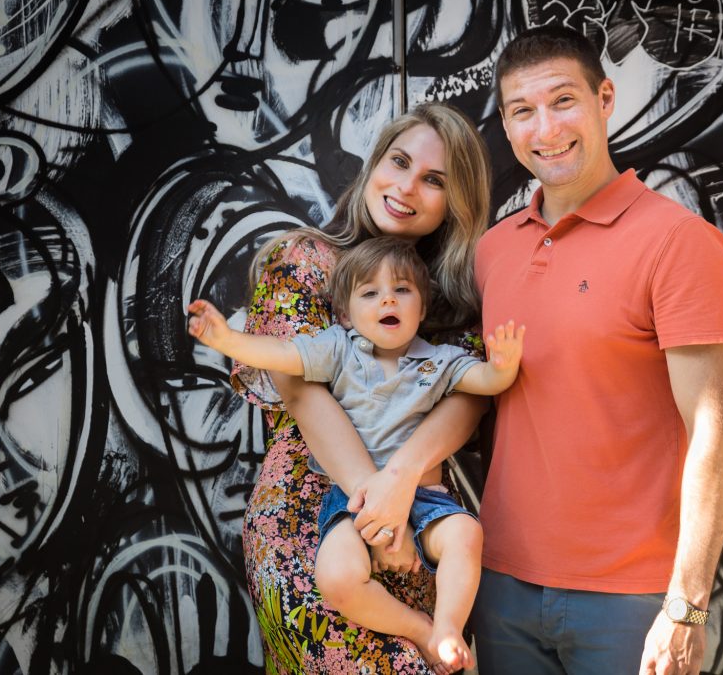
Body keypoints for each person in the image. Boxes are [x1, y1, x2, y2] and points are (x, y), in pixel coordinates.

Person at [470, 26, 723, 675]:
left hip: (633, 599)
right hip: (502, 586)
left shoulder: (679, 243)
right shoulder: (494, 250)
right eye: (522, 111)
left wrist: (686, 604)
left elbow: (717, 429)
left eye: (563, 101)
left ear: (605, 99)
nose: (546, 128)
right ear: (508, 128)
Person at [222, 103, 494, 674]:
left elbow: (467, 398)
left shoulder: (451, 296)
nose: (406, 187)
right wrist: (376, 513)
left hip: (419, 517)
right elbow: (301, 391)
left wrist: (399, 487)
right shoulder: (301, 260)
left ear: (454, 205)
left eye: (434, 180)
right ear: (374, 163)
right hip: (308, 520)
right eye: (398, 162)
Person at [189, 237, 524, 672]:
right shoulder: (337, 348)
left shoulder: (439, 361)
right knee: (336, 578)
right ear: (347, 313)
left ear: (421, 310)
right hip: (350, 501)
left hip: (426, 499)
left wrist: (503, 365)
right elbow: (281, 355)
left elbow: (485, 384)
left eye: (402, 290)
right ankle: (419, 629)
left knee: (467, 536)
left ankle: (446, 626)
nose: (387, 297)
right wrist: (228, 339)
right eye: (370, 292)